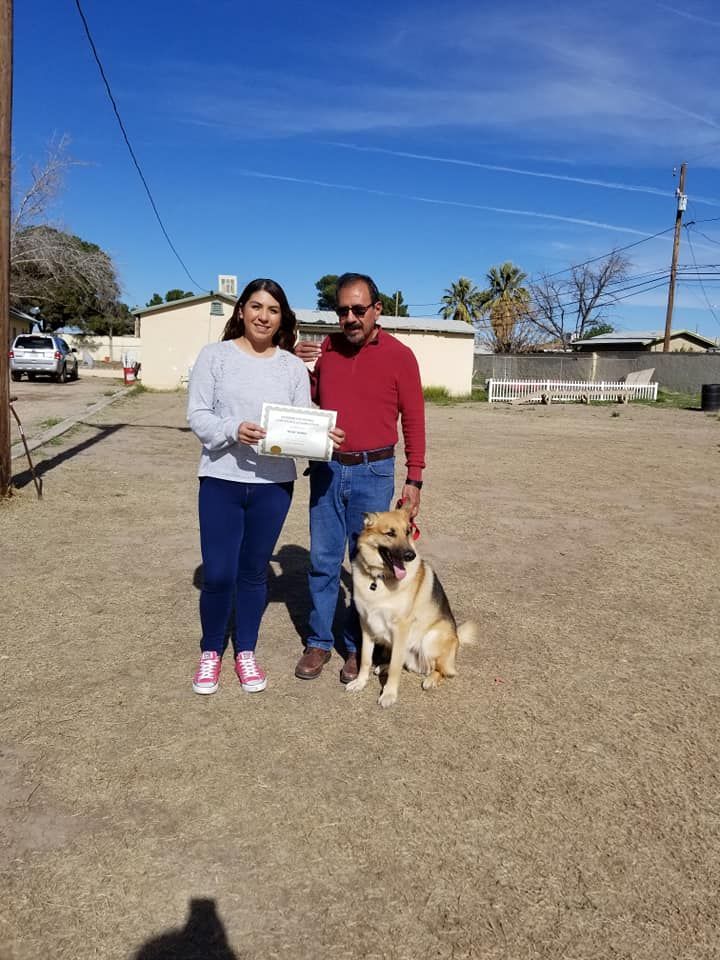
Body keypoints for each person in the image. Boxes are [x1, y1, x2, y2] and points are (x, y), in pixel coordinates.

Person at [187, 278, 344, 695]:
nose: (263, 316)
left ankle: (246, 651)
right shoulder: (214, 357)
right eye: (256, 307)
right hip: (221, 479)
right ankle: (210, 651)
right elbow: (198, 416)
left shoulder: (291, 366)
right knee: (219, 573)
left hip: (273, 485)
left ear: (281, 318)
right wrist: (232, 429)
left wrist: (323, 434)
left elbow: (303, 415)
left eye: (272, 310)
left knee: (254, 573)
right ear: (241, 310)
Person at [294, 272, 426, 683]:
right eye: (342, 310)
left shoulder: (400, 355)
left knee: (367, 567)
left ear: (377, 310)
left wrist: (414, 477)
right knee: (323, 560)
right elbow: (309, 402)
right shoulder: (326, 350)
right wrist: (297, 365)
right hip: (327, 469)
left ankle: (356, 647)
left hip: (375, 471)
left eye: (358, 309)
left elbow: (415, 419)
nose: (350, 317)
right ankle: (318, 642)